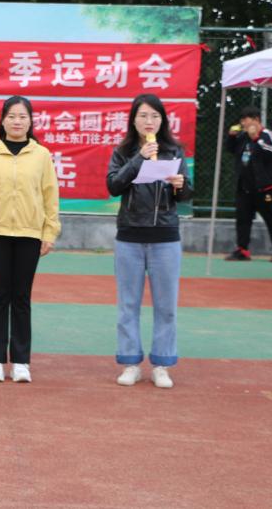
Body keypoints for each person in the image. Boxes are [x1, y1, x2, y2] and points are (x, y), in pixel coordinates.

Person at [0, 96, 61, 383]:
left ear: (31, 121)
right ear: (3, 120)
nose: (17, 121)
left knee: (21, 297)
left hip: (29, 235)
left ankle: (21, 361)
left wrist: (49, 231)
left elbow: (50, 195)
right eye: (12, 116)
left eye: (22, 116)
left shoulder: (41, 155)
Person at [106, 93, 192, 389]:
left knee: (166, 305)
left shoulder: (174, 151)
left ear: (163, 120)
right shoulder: (122, 152)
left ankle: (161, 364)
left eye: (155, 116)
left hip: (165, 236)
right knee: (128, 304)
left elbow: (186, 194)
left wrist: (181, 185)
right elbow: (114, 185)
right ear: (133, 120)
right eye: (143, 115)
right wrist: (139, 159)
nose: (149, 121)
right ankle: (130, 363)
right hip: (129, 236)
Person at [224, 106, 272, 262]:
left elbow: (271, 150)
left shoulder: (267, 135)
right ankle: (242, 250)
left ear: (256, 119)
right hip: (245, 188)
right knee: (243, 219)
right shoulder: (243, 137)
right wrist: (231, 136)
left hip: (265, 188)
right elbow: (230, 149)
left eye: (246, 119)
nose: (243, 123)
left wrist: (256, 138)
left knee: (271, 218)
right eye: (241, 120)